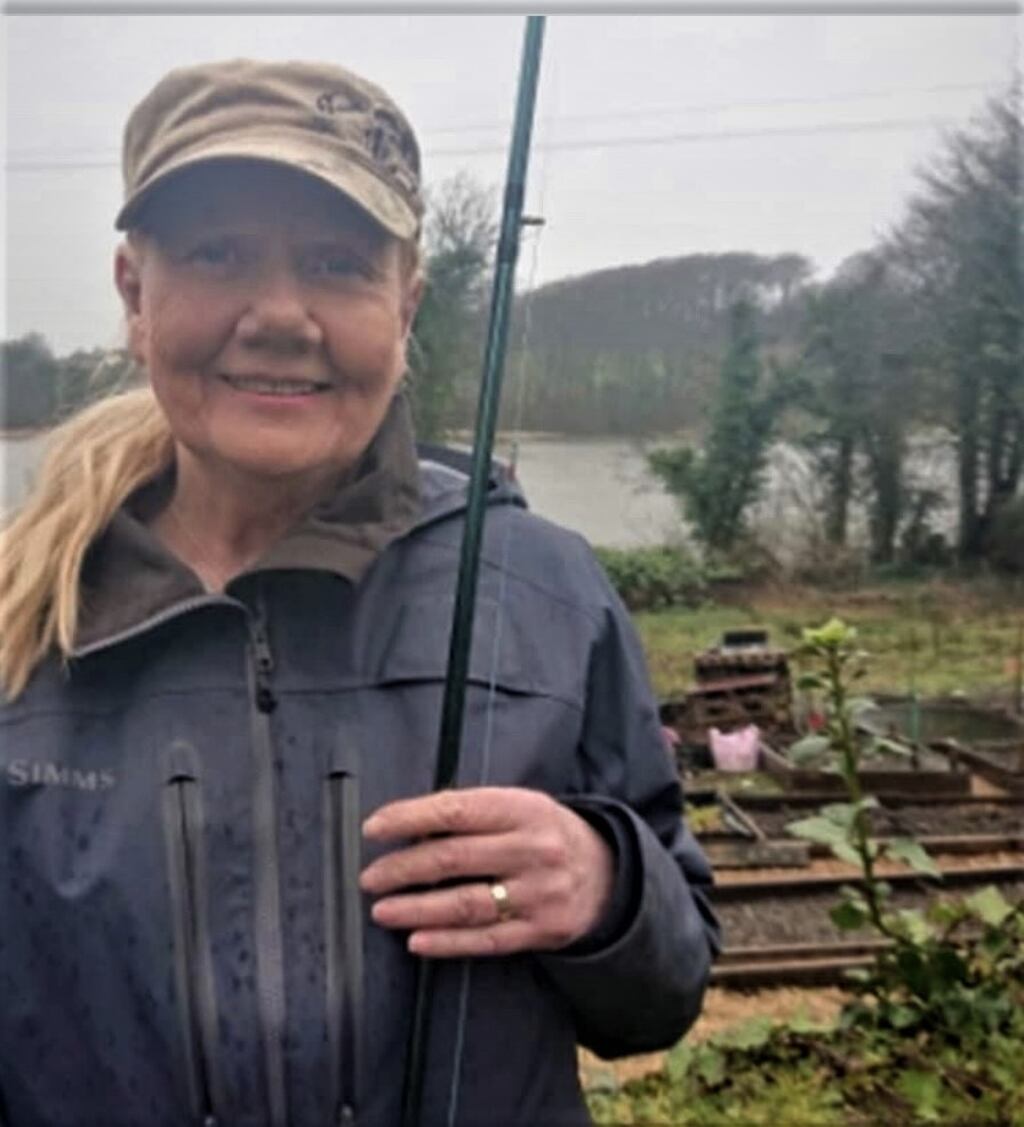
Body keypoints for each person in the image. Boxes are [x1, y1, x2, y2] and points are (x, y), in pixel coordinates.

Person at [0, 58, 719, 1127]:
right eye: (218, 253)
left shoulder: (547, 590)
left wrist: (608, 888)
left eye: (338, 262)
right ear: (134, 294)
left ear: (404, 302)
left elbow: (664, 987)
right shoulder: (22, 614)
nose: (281, 313)